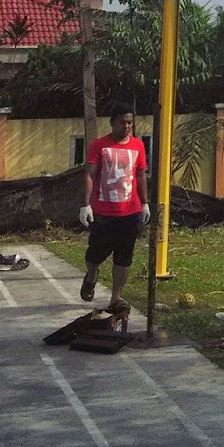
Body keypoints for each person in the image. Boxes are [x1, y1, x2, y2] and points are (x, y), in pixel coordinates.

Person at [79, 106, 149, 313]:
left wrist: (144, 203)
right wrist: (86, 205)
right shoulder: (99, 145)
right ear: (112, 123)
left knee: (124, 257)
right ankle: (92, 275)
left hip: (130, 212)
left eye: (129, 123)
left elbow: (140, 175)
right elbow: (90, 175)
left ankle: (116, 297)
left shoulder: (138, 145)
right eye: (122, 122)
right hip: (104, 211)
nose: (126, 126)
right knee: (95, 254)